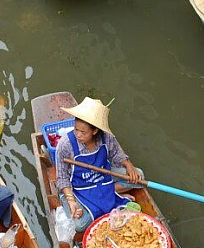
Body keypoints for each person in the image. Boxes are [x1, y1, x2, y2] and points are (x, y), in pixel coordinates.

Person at [54, 97, 145, 232]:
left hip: (102, 178)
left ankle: (106, 194)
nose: (78, 135)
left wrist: (129, 165)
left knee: (139, 176)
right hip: (79, 187)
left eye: (83, 132)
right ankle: (108, 196)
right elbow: (62, 178)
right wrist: (70, 200)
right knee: (80, 225)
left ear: (95, 131)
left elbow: (117, 154)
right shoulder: (65, 144)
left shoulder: (106, 137)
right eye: (76, 129)